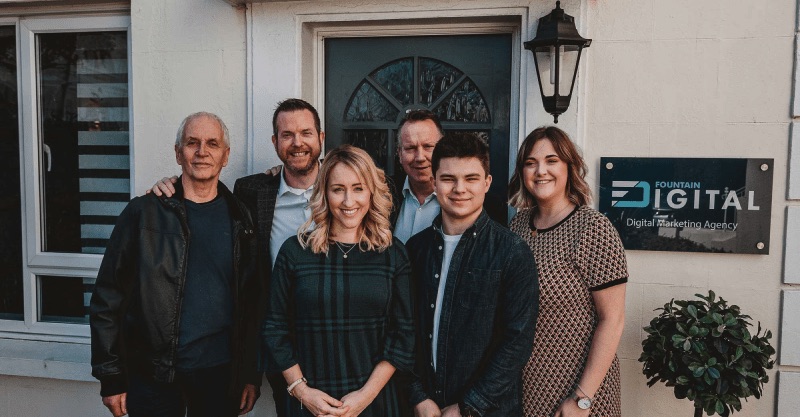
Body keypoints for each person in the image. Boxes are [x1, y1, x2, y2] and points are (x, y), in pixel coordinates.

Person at [150, 98, 325, 417]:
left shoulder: (349, 189)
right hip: (280, 341)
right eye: (287, 135)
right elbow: (245, 286)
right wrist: (169, 186)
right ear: (275, 143)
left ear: (321, 138)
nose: (297, 143)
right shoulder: (252, 192)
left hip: (343, 334)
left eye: (306, 133)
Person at [90, 112, 261, 417]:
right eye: (192, 143)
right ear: (178, 152)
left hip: (220, 375)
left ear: (225, 155)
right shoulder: (143, 214)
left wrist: (248, 374)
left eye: (212, 143)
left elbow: (250, 305)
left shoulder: (241, 218)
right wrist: (111, 376)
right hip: (153, 375)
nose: (202, 151)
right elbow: (108, 297)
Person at [262, 145, 414, 417]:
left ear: (371, 192)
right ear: (323, 193)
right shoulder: (295, 252)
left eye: (358, 188)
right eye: (337, 189)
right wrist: (301, 391)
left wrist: (364, 398)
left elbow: (402, 336)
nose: (348, 201)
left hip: (374, 401)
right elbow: (275, 328)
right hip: (310, 402)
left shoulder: (393, 254)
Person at [405, 132, 538, 417]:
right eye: (449, 179)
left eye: (471, 178)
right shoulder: (415, 250)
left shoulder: (512, 252)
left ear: (487, 183)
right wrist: (417, 396)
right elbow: (403, 329)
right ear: (434, 182)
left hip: (488, 411)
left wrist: (468, 407)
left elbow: (516, 342)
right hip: (425, 410)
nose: (459, 189)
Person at [507, 126, 628, 417]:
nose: (540, 171)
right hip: (528, 387)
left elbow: (613, 320)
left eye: (551, 161)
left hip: (581, 391)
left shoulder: (593, 229)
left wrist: (582, 398)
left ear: (569, 167)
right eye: (530, 163)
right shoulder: (518, 226)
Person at [391, 109, 507, 242]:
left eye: (428, 146)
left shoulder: (490, 207)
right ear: (400, 154)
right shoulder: (382, 193)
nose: (420, 157)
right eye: (410, 148)